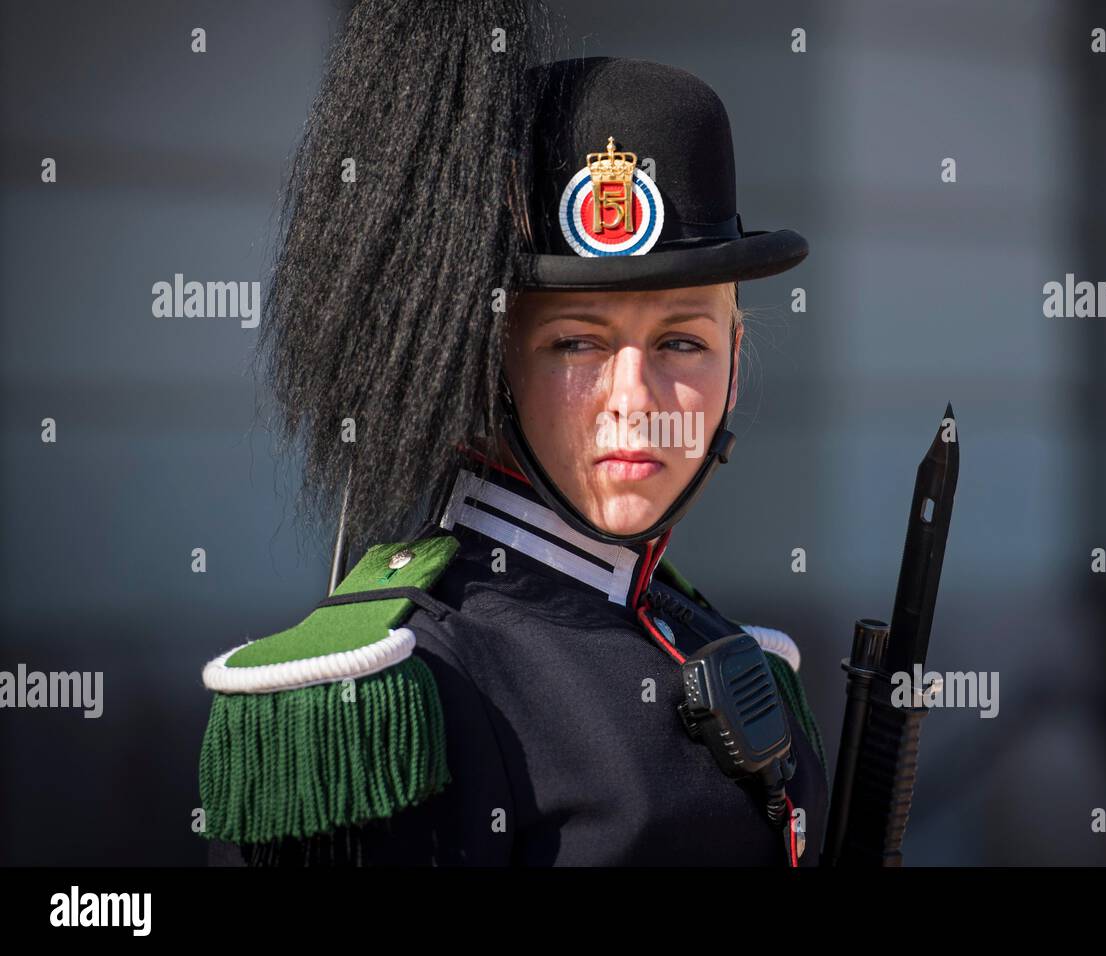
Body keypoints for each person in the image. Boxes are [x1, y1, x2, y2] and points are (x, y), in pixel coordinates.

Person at [198, 0, 826, 866]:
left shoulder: (722, 644)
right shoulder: (391, 697)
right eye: (576, 344)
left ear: (736, 354)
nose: (635, 400)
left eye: (683, 341)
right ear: (488, 363)